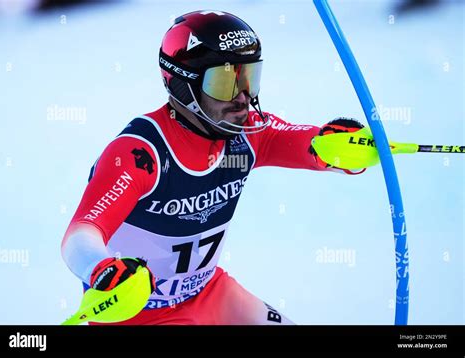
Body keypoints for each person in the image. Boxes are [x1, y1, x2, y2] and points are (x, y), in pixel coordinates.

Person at [61, 10, 367, 325]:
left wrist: (341, 150)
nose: (243, 98)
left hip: (210, 293)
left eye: (248, 77)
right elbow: (79, 236)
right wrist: (101, 267)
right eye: (225, 83)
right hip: (137, 314)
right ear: (185, 86)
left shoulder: (248, 134)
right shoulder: (141, 154)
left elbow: (310, 144)